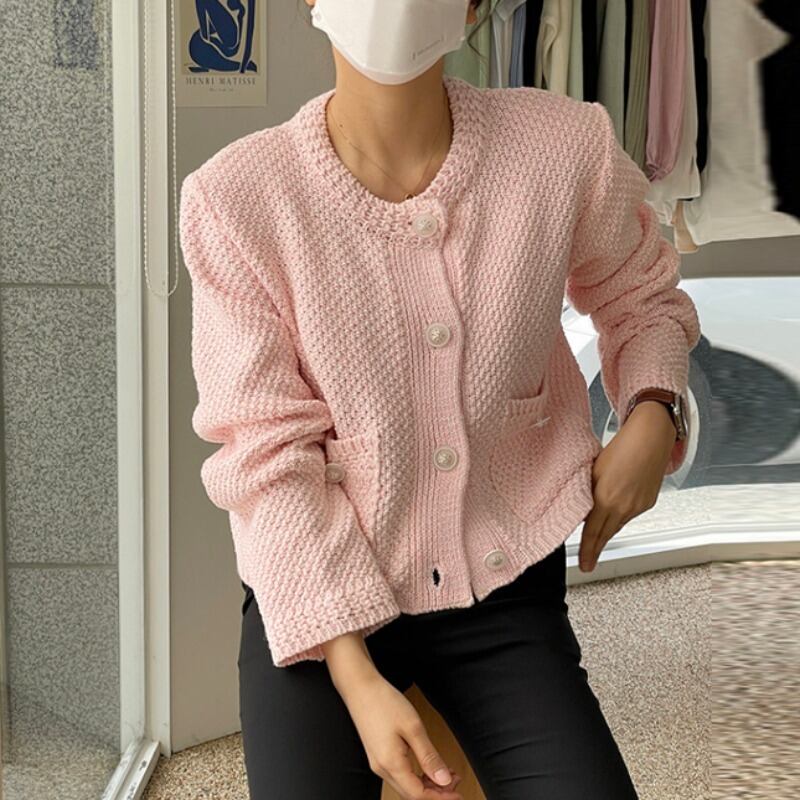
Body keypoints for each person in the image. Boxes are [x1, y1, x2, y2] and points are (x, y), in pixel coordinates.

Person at [178, 1, 701, 798]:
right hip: (324, 599)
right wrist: (354, 675)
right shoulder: (236, 198)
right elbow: (264, 451)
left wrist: (653, 407)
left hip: (502, 584)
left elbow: (642, 296)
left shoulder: (563, 145)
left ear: (476, 5)